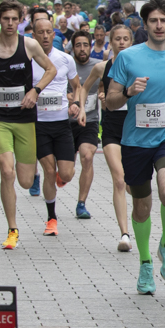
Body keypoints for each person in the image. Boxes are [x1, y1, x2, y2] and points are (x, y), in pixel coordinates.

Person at [104, 0, 165, 294]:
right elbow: (110, 100)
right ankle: (145, 263)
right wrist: (129, 91)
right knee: (141, 206)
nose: (158, 25)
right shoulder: (127, 57)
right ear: (144, 24)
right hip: (135, 141)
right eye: (153, 20)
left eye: (163, 21)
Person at [0, 0, 59, 249]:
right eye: (5, 18)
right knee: (6, 171)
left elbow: (50, 69)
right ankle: (12, 229)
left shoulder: (29, 45)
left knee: (26, 181)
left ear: (21, 21)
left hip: (25, 118)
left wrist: (35, 91)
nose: (10, 23)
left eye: (14, 19)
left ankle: (37, 179)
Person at [28, 14, 80, 236]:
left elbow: (77, 85)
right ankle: (51, 218)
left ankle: (61, 176)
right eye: (41, 32)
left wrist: (76, 102)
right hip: (39, 125)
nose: (46, 36)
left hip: (61, 125)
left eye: (49, 31)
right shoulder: (28, 60)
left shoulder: (65, 59)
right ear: (33, 35)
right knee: (49, 172)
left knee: (66, 175)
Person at [96, 24, 137, 251]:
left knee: (132, 184)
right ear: (110, 42)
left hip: (133, 127)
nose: (121, 42)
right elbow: (85, 88)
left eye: (125, 39)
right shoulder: (103, 66)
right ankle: (124, 234)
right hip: (111, 127)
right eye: (117, 39)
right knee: (119, 179)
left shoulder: (139, 66)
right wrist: (83, 104)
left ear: (131, 42)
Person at [68, 30, 105, 221]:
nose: (82, 49)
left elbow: (104, 88)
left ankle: (81, 203)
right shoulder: (67, 65)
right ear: (72, 47)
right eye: (78, 45)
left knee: (87, 157)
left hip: (89, 121)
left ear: (91, 47)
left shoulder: (98, 67)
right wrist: (69, 100)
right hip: (66, 123)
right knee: (66, 172)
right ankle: (62, 175)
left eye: (85, 45)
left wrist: (103, 94)